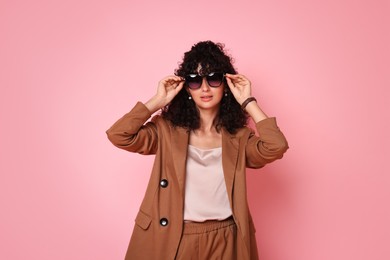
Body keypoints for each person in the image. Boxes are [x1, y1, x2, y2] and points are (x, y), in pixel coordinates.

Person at [106, 41, 288, 260]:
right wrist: (157, 101)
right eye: (194, 80)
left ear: (225, 84)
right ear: (186, 88)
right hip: (177, 235)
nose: (204, 88)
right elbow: (120, 135)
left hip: (226, 237)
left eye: (213, 79)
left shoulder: (238, 137)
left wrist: (248, 101)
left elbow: (275, 147)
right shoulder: (166, 130)